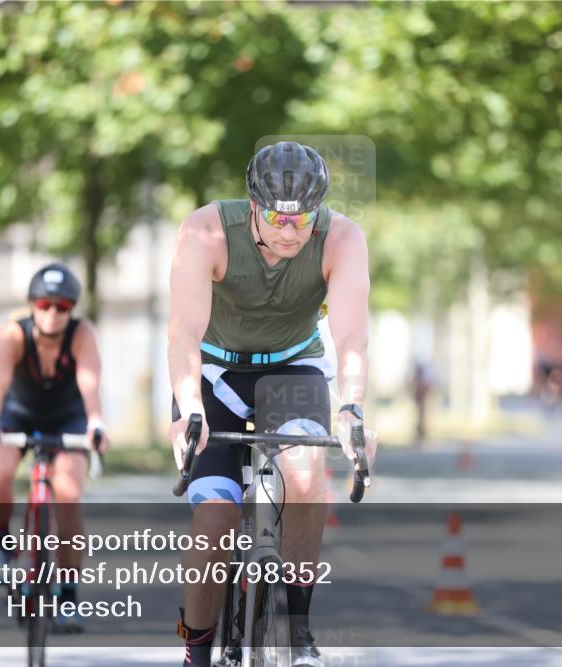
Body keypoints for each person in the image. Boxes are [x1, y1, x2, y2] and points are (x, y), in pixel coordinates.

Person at [167, 141, 378, 667]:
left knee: (306, 473)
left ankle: (298, 627)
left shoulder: (343, 238)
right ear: (253, 206)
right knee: (216, 513)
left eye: (302, 219)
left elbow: (351, 339)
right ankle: (196, 647)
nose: (289, 232)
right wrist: (190, 407)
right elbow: (184, 333)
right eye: (277, 219)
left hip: (291, 365)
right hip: (214, 370)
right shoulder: (205, 232)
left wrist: (352, 409)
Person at [0, 262, 110, 634]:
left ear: (72, 309)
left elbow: (89, 383)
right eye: (45, 304)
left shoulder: (82, 334)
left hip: (68, 420)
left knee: (67, 495)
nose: (53, 314)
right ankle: (4, 544)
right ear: (32, 305)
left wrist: (97, 423)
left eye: (63, 307)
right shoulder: (13, 335)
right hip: (17, 416)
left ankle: (67, 595)